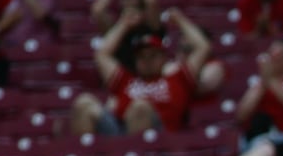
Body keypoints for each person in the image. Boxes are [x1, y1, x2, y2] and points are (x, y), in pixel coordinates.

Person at [71, 8, 211, 137]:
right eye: (142, 57)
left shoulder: (178, 79)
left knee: (140, 107)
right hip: (121, 132)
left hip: (159, 138)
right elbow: (101, 54)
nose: (147, 60)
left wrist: (181, 20)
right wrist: (123, 24)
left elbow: (203, 47)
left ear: (164, 58)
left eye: (152, 56)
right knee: (84, 103)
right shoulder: (126, 80)